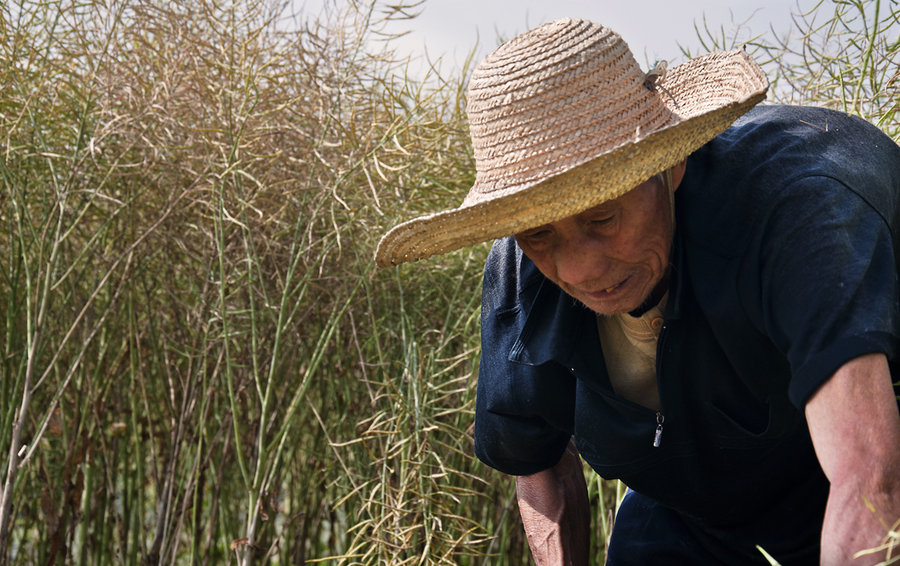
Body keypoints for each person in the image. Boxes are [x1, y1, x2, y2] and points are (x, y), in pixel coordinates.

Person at [375, 18, 900, 565]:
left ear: (670, 164)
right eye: (539, 234)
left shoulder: (796, 213)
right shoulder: (518, 278)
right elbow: (540, 464)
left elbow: (870, 479)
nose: (579, 270)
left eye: (602, 216)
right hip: (683, 509)